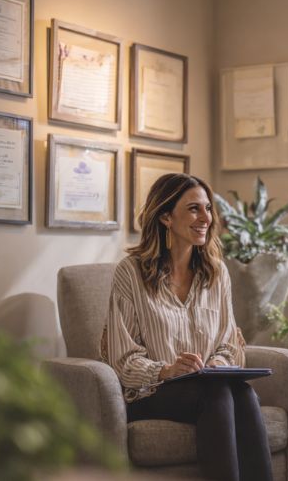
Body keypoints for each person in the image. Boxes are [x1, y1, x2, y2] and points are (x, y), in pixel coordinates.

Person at [100, 173, 272, 481]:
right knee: (217, 396)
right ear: (166, 216)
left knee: (243, 394)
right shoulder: (131, 273)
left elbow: (229, 342)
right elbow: (121, 359)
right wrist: (166, 370)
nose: (205, 217)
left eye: (207, 209)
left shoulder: (216, 273)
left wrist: (218, 362)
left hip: (207, 385)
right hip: (152, 393)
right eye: (194, 209)